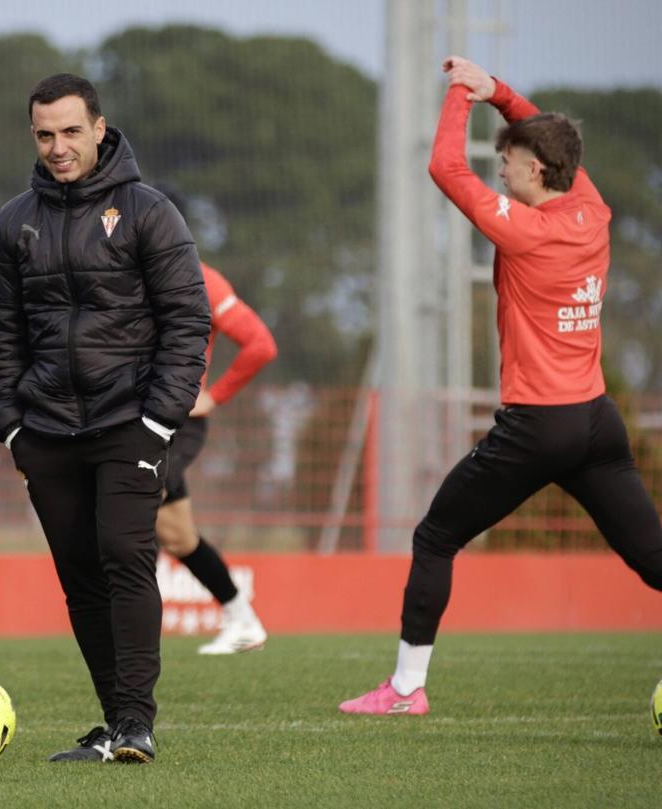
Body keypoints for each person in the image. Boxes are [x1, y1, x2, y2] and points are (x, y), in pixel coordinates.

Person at [340, 57, 662, 716]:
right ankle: (402, 688)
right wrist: (501, 96)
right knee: (652, 556)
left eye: (509, 163)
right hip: (596, 422)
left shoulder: (524, 229)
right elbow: (538, 135)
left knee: (434, 537)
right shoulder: (591, 209)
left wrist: (462, 94)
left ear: (536, 172)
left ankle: (405, 689)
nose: (501, 170)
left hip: (539, 426)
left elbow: (445, 169)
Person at [0, 73, 210, 764]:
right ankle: (114, 723)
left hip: (127, 425)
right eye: (45, 134)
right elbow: (0, 330)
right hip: (44, 430)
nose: (59, 147)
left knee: (124, 557)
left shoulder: (149, 211)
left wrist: (158, 422)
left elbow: (188, 320)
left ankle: (137, 722)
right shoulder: (13, 219)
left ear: (100, 128)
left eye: (71, 132)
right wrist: (10, 424)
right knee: (80, 575)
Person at [152, 185, 277, 655]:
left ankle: (124, 637)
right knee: (178, 535)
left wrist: (215, 396)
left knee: (132, 501)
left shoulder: (204, 282)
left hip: (178, 422)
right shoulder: (119, 281)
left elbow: (261, 344)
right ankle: (242, 618)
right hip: (133, 419)